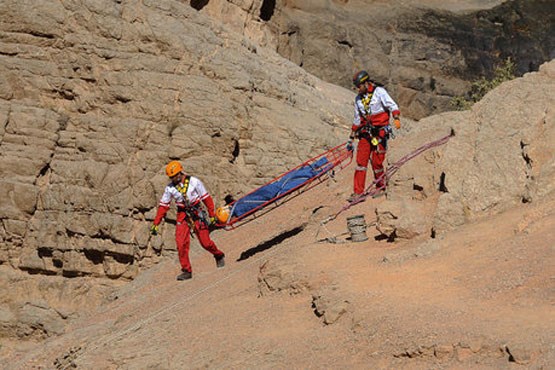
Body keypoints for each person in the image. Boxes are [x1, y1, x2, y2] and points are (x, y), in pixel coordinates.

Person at [150, 161, 225, 281]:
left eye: (175, 176)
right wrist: (156, 223)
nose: (173, 179)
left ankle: (218, 254)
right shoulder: (170, 189)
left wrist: (211, 214)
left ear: (180, 172)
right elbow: (163, 206)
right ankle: (186, 270)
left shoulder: (194, 182)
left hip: (196, 212)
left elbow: (206, 198)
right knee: (181, 243)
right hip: (183, 214)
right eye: (171, 177)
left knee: (205, 242)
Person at [347, 70, 401, 201]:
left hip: (380, 133)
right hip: (365, 133)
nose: (358, 89)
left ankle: (381, 187)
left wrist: (396, 117)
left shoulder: (379, 92)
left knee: (377, 162)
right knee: (361, 162)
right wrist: (352, 134)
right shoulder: (358, 99)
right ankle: (358, 193)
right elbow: (357, 118)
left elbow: (392, 105)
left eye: (359, 86)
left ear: (366, 83)